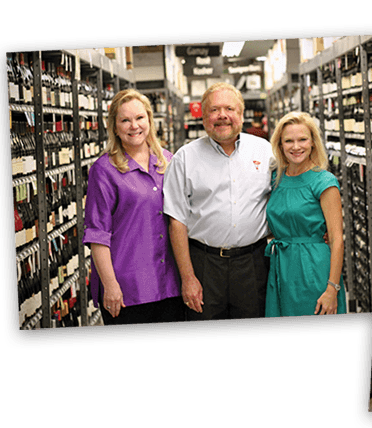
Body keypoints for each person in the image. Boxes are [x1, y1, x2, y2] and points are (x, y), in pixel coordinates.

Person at [163, 83, 275, 321]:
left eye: (229, 109)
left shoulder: (265, 152)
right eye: (214, 110)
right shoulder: (184, 158)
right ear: (203, 117)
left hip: (253, 264)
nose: (222, 115)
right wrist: (188, 277)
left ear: (241, 115)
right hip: (204, 265)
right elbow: (176, 221)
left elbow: (284, 197)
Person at [83, 89, 186, 325]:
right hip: (127, 289)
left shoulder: (168, 161)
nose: (134, 126)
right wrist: (110, 285)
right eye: (125, 120)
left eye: (140, 118)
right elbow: (97, 234)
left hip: (170, 284)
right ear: (114, 126)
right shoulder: (104, 170)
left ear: (149, 119)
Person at [265, 112, 346, 316]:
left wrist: (332, 288)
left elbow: (337, 239)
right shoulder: (276, 179)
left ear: (313, 143)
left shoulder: (324, 182)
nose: (296, 146)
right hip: (281, 266)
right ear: (280, 145)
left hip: (313, 268)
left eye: (302, 139)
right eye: (288, 141)